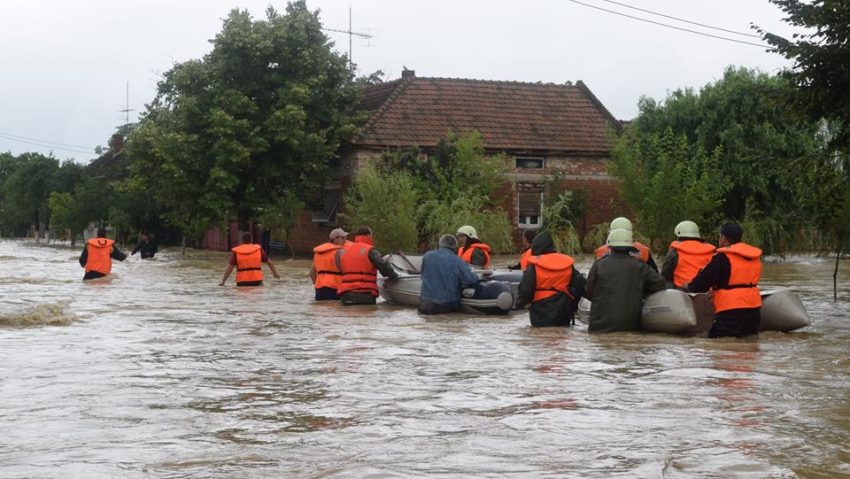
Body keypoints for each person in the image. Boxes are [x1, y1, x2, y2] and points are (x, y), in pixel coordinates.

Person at [685, 223, 762, 338]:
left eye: (720, 236)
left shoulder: (721, 257)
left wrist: (688, 287)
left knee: (716, 345)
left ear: (724, 238)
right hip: (754, 310)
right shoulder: (754, 258)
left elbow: (699, 285)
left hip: (731, 311)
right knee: (749, 346)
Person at [585, 228, 666, 333]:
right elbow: (660, 284)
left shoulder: (599, 265)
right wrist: (641, 292)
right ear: (630, 247)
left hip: (600, 326)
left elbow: (588, 292)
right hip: (630, 326)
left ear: (610, 246)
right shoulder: (640, 266)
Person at [517, 231, 586, 327]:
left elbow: (526, 289)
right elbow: (581, 285)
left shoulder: (534, 265)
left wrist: (520, 303)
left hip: (541, 312)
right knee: (562, 337)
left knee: (542, 337)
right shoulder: (566, 264)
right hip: (564, 310)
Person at [419, 234, 481, 315]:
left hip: (426, 304)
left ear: (440, 244)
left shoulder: (427, 256)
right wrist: (477, 276)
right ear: (454, 246)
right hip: (448, 305)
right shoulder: (459, 261)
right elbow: (469, 280)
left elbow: (423, 275)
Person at [335, 226, 398, 305]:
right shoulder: (370, 250)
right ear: (368, 235)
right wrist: (394, 276)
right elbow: (383, 266)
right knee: (366, 315)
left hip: (346, 295)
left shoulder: (345, 251)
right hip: (365, 294)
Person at [661, 220, 716, 288]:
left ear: (679, 235)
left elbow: (666, 274)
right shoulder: (711, 252)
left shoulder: (675, 251)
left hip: (681, 292)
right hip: (705, 293)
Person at [309, 228, 349, 300]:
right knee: (334, 309)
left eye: (345, 238)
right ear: (335, 239)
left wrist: (317, 283)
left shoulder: (318, 253)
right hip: (335, 286)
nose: (345, 240)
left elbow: (312, 274)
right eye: (342, 238)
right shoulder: (340, 252)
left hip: (319, 287)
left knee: (320, 310)